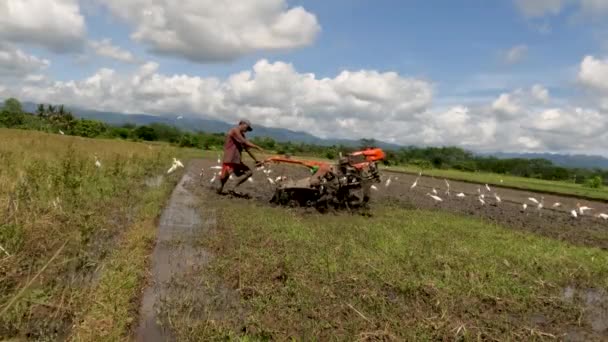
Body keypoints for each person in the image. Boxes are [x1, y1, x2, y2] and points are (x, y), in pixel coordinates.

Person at [217, 119, 264, 195]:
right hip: (230, 159)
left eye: (248, 129)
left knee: (248, 172)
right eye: (247, 127)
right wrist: (256, 147)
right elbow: (244, 142)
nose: (247, 130)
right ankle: (219, 189)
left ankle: (233, 186)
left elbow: (247, 149)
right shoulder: (234, 131)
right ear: (241, 124)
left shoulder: (242, 135)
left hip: (237, 160)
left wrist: (256, 160)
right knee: (224, 177)